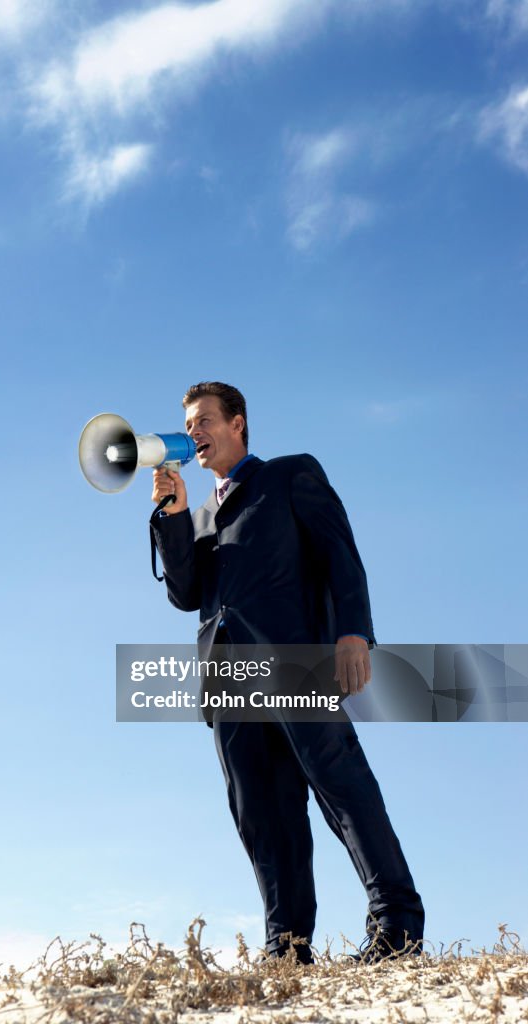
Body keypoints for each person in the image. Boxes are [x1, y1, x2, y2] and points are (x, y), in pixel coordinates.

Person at [150, 381, 424, 965]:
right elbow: (185, 593)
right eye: (189, 423)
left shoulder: (290, 475)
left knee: (341, 790)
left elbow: (339, 553)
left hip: (295, 663)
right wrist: (172, 516)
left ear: (237, 423)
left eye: (204, 420)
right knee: (262, 813)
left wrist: (354, 632)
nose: (194, 432)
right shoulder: (200, 514)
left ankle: (397, 925)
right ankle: (286, 947)